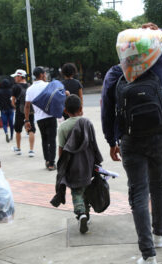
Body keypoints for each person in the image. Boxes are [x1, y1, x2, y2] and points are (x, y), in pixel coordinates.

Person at [101, 23, 162, 264]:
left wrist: (111, 140)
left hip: (130, 138)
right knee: (159, 186)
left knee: (138, 192)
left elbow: (107, 110)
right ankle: (159, 234)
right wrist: (161, 30)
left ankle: (148, 255)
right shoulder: (157, 63)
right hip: (159, 137)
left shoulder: (115, 73)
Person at [57, 95, 102, 234]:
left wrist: (62, 168)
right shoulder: (87, 123)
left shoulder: (63, 127)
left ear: (65, 110)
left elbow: (61, 149)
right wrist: (97, 161)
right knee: (86, 188)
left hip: (72, 165)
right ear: (81, 108)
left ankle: (81, 214)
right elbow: (93, 143)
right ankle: (86, 215)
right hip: (87, 163)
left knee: (76, 191)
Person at [24, 67, 57, 171]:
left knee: (44, 139)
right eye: (45, 74)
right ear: (42, 75)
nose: (46, 75)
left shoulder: (30, 89)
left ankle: (47, 161)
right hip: (50, 117)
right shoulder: (48, 86)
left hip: (39, 119)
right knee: (52, 140)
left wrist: (27, 120)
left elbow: (27, 106)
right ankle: (51, 163)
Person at [10, 69, 35, 157]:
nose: (15, 78)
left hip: (19, 111)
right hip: (30, 110)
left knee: (18, 130)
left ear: (20, 76)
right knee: (31, 129)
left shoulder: (15, 87)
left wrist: (15, 107)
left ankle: (18, 148)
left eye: (16, 76)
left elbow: (13, 101)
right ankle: (31, 150)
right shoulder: (30, 85)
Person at [0, 78, 15, 142]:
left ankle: (6, 132)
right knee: (11, 123)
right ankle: (11, 136)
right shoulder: (11, 91)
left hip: (3, 109)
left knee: (4, 124)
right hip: (10, 109)